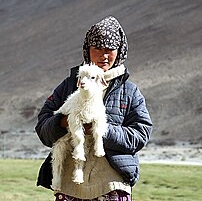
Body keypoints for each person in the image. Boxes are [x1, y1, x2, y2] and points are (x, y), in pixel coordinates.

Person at [35, 16, 153, 201]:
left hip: (111, 184)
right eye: (97, 48)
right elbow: (43, 127)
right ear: (87, 50)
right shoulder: (68, 86)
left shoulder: (129, 92)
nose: (103, 55)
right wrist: (64, 122)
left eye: (109, 49)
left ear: (119, 51)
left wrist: (100, 130)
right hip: (70, 185)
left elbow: (140, 135)